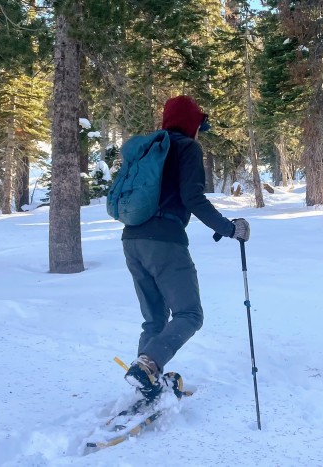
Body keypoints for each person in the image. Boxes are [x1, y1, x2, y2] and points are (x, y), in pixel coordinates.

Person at [122, 95, 250, 400]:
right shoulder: (187, 148)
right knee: (190, 314)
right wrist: (230, 229)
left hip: (132, 239)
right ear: (192, 123)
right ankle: (149, 365)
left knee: (154, 318)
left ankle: (147, 381)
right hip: (165, 241)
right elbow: (193, 198)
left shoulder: (149, 148)